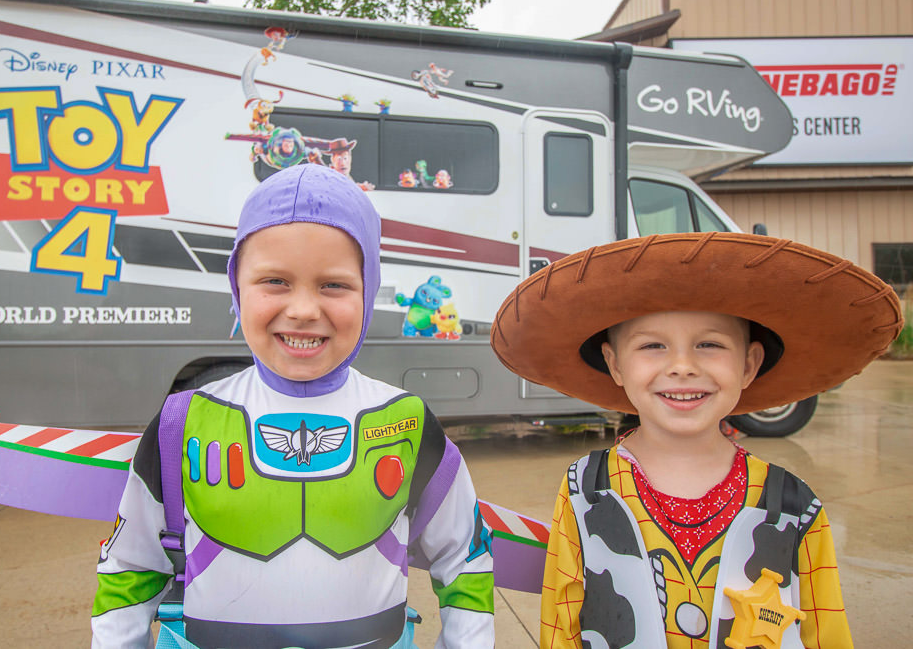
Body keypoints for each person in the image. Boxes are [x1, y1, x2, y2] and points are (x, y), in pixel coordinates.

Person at [92, 164, 494, 648]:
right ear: (236, 287)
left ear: (368, 290)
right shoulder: (182, 423)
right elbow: (129, 569)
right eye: (275, 281)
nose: (303, 310)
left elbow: (464, 559)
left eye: (333, 285)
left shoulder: (406, 422)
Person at [490, 232, 904, 649]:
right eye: (653, 345)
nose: (682, 366)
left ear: (749, 364)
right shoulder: (584, 488)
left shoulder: (796, 508)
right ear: (615, 364)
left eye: (709, 344)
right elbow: (560, 626)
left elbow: (826, 633)